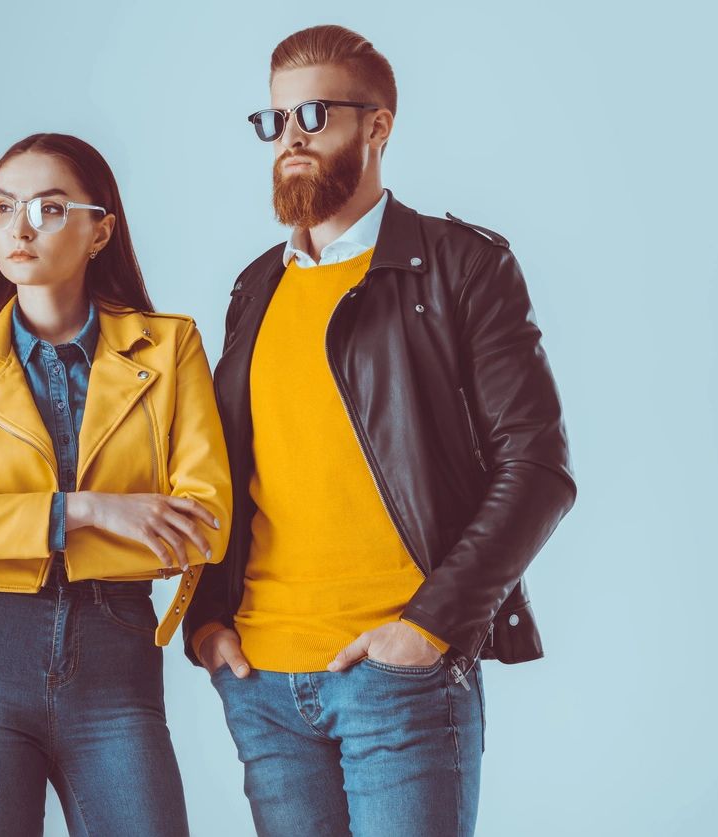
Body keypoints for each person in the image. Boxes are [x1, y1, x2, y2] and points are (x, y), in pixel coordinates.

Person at [182, 25, 577, 837]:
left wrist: (432, 624)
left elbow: (538, 466)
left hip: (399, 679)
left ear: (378, 126)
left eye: (314, 115)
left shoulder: (460, 265)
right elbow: (233, 468)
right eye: (276, 120)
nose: (290, 138)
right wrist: (208, 618)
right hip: (263, 681)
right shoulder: (254, 287)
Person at [0, 132, 233, 837]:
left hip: (117, 656)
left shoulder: (169, 348)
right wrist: (91, 510)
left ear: (100, 228)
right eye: (3, 206)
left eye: (47, 207)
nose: (19, 227)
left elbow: (204, 526)